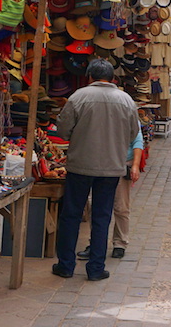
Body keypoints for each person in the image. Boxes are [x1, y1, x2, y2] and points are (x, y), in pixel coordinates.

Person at [54, 59, 140, 281]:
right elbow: (133, 135)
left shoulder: (78, 97)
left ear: (89, 77)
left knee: (71, 215)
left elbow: (62, 132)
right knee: (102, 217)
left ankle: (65, 265)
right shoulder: (126, 100)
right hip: (111, 168)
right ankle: (95, 268)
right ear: (112, 78)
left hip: (80, 165)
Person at [78, 126, 143, 260]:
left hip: (122, 163)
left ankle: (120, 243)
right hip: (99, 163)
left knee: (121, 205)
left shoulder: (128, 111)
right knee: (93, 204)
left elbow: (137, 141)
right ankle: (96, 242)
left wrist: (135, 165)